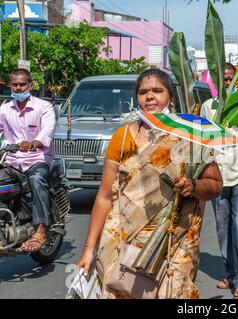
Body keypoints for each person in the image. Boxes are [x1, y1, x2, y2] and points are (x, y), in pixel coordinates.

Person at [76, 69, 223, 299]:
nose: (150, 96)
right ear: (136, 97)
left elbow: (215, 185)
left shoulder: (191, 134)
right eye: (143, 92)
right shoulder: (122, 137)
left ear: (170, 97)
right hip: (125, 243)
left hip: (175, 242)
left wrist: (192, 187)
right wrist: (88, 250)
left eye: (157, 90)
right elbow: (105, 196)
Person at [200, 63, 238, 298]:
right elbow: (202, 139)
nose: (227, 83)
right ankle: (231, 273)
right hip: (218, 174)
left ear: (237, 80)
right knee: (222, 227)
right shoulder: (208, 106)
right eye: (222, 79)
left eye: (230, 78)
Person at [0, 69, 56, 252]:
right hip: (13, 160)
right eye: (15, 84)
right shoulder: (5, 109)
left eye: (22, 84)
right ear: (10, 86)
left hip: (37, 158)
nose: (18, 88)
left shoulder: (43, 107)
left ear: (29, 86)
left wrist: (34, 142)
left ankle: (40, 230)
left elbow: (48, 129)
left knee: (36, 180)